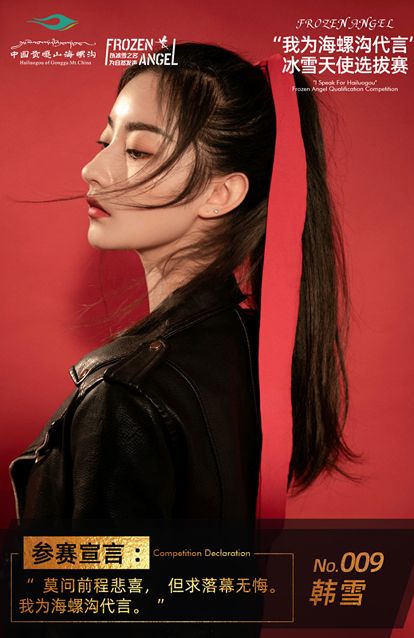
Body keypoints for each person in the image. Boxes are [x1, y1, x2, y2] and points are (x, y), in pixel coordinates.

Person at [9, 41, 354, 526]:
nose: (92, 171)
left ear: (220, 194)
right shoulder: (249, 347)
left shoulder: (125, 395)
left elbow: (104, 578)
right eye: (105, 142)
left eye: (138, 151)